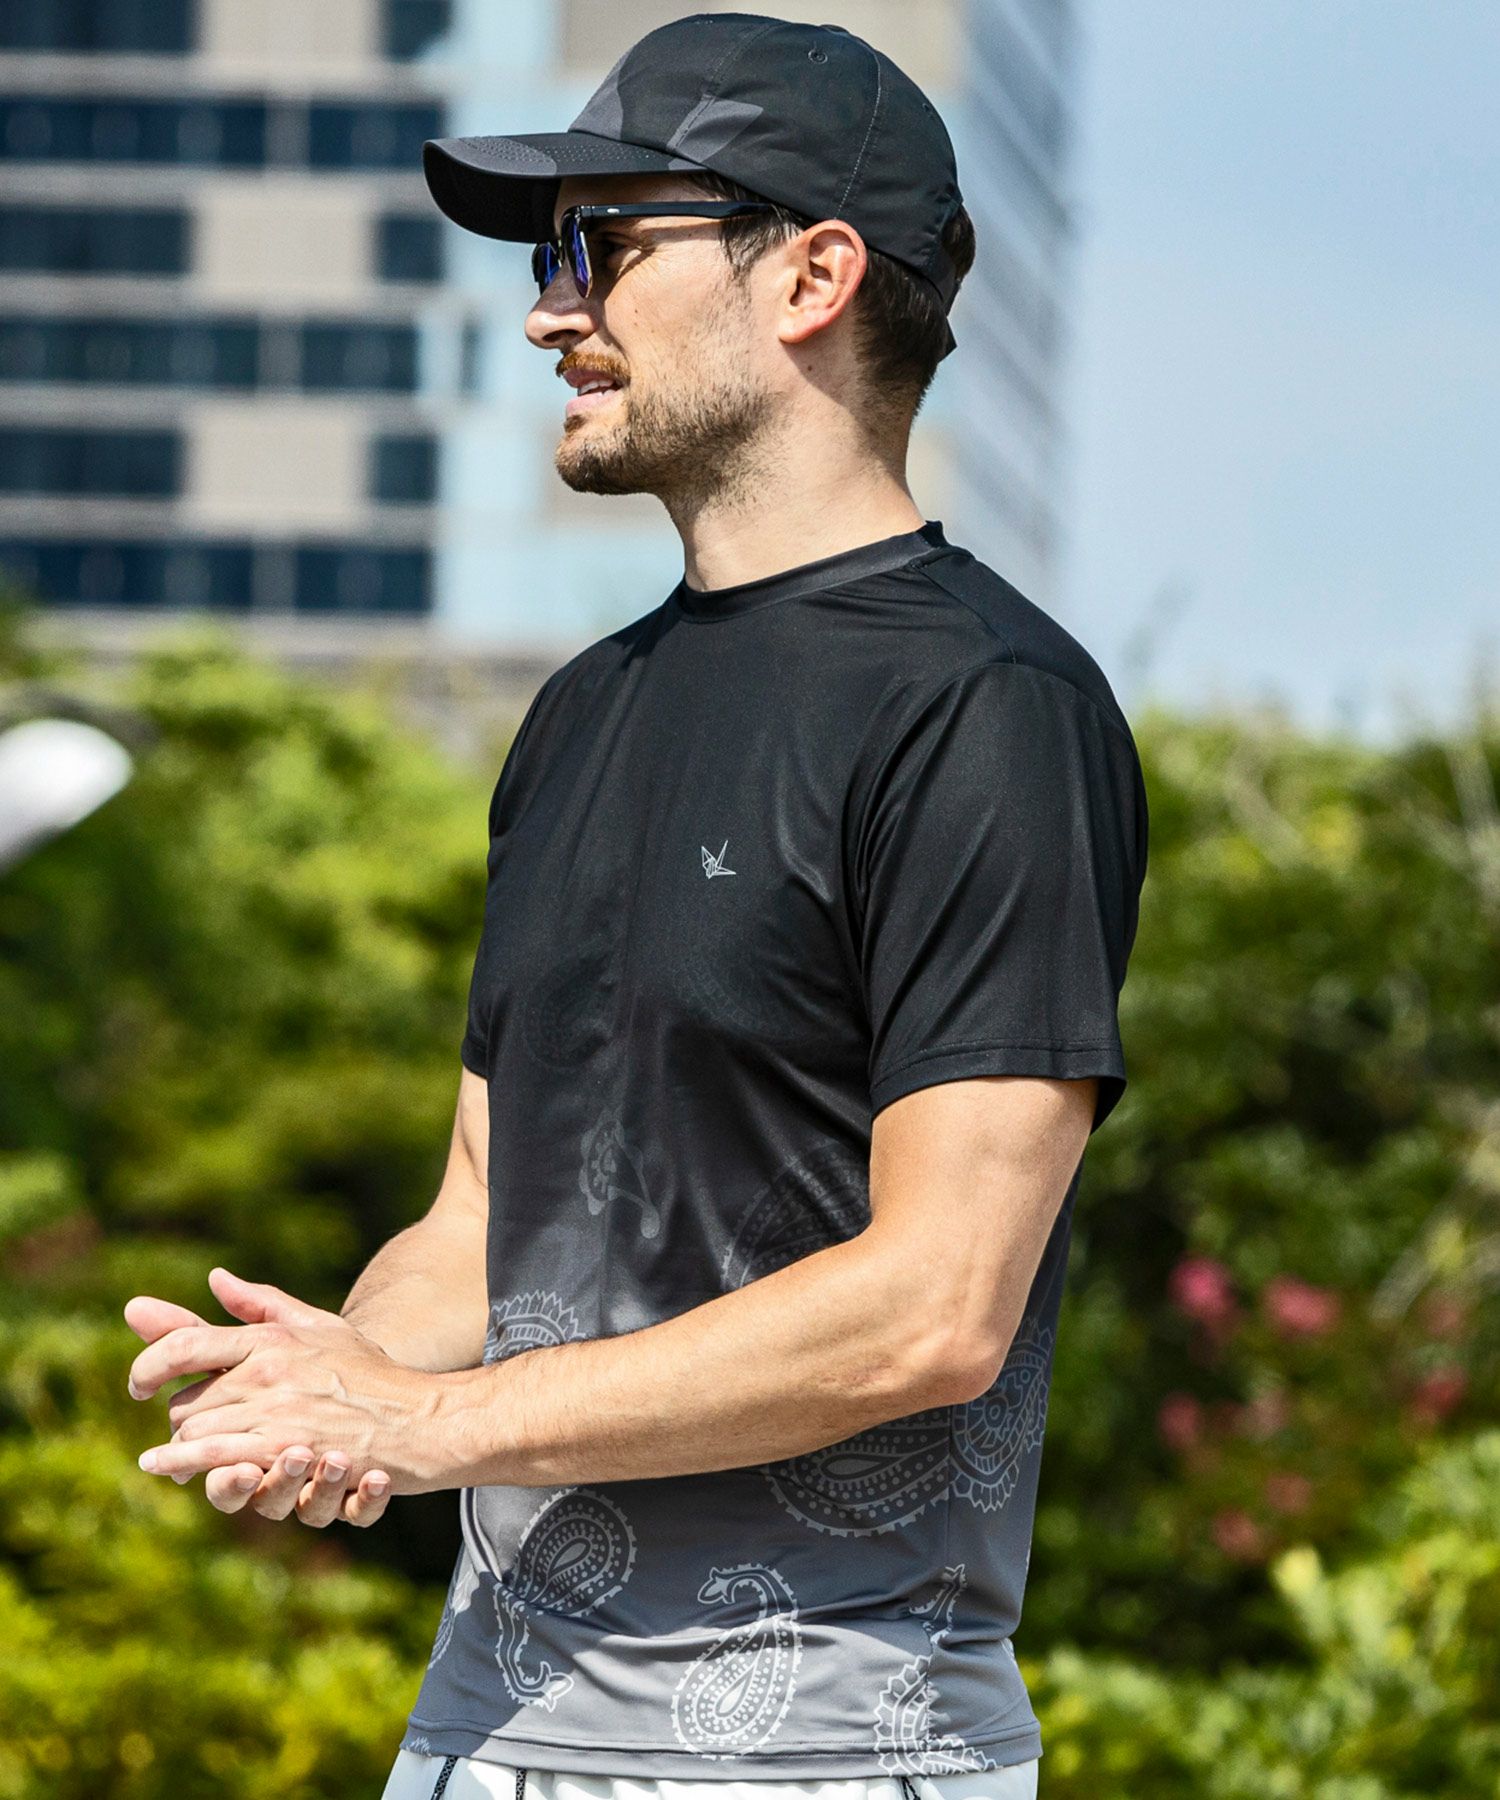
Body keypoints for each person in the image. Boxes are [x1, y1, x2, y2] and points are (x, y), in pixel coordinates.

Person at [125, 14, 1149, 1800]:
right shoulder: (580, 714)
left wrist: (432, 1420)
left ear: (814, 275)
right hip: (478, 1734)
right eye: (550, 255)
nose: (550, 309)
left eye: (601, 243)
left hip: (819, 1756)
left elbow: (935, 1305)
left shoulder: (989, 709)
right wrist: (344, 1376)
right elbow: (481, 1220)